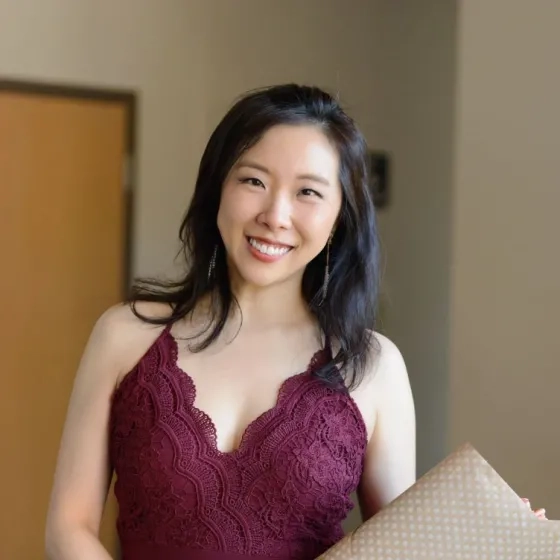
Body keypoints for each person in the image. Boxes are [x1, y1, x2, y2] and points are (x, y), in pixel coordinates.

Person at [44, 84, 542, 560]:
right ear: (218, 186)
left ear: (339, 217)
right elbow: (68, 529)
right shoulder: (126, 336)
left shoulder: (372, 366)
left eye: (308, 192)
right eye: (253, 181)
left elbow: (401, 547)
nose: (275, 215)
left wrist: (490, 529)